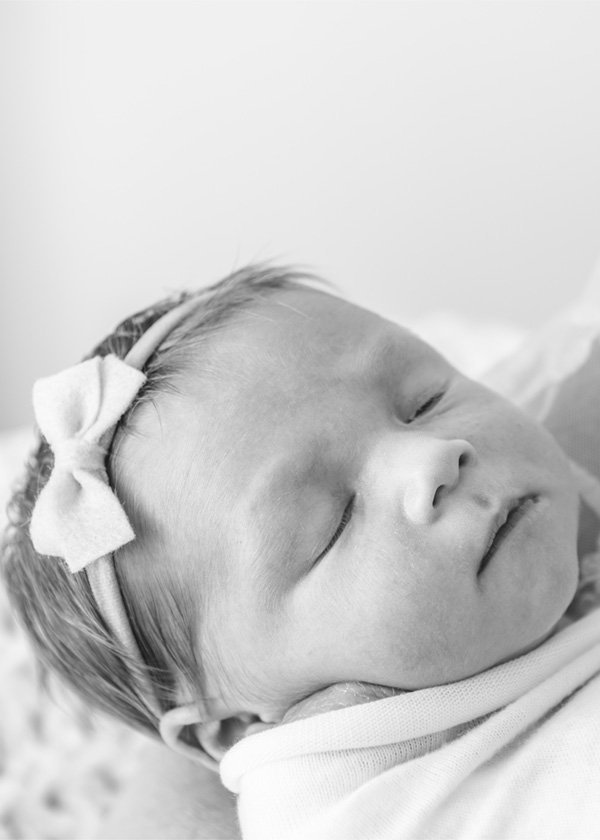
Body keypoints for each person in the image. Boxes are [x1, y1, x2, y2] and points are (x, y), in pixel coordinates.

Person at [2, 261, 600, 839]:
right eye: (333, 523)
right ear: (241, 730)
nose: (436, 456)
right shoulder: (341, 796)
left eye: (426, 400)